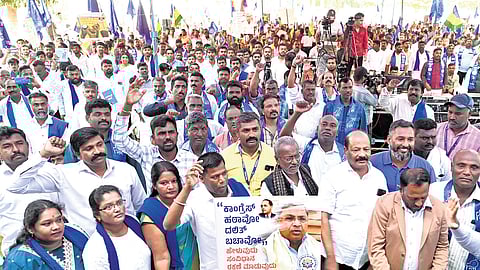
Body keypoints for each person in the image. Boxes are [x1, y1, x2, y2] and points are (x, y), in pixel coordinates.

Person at [8, 128, 146, 235]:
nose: (97, 151)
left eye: (99, 145)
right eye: (89, 148)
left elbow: (141, 207)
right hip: (85, 245)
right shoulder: (64, 174)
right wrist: (43, 154)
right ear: (78, 155)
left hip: (127, 240)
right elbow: (16, 186)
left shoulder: (126, 170)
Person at [163, 153, 250, 269]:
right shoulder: (194, 198)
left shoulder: (239, 189)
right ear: (202, 179)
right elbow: (168, 225)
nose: (222, 180)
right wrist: (187, 187)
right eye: (215, 177)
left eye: (224, 173)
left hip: (245, 263)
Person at [320, 131, 387, 270]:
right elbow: (323, 218)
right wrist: (331, 258)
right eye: (356, 150)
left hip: (367, 259)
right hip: (338, 258)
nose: (362, 154)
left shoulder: (379, 177)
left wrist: (375, 259)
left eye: (366, 149)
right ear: (345, 150)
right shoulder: (332, 176)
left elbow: (383, 218)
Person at [113, 79, 197, 189]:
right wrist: (127, 106)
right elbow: (119, 140)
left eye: (171, 132)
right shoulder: (146, 154)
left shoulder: (192, 160)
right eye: (162, 133)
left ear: (177, 134)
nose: (167, 137)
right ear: (153, 138)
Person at [367, 168, 449, 270]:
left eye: (423, 197)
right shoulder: (384, 204)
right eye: (413, 198)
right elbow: (375, 247)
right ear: (401, 190)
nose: (419, 203)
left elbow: (442, 247)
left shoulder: (440, 208)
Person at [0, 127, 59, 256]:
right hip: (17, 252)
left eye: (19, 143)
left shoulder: (50, 171)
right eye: (7, 146)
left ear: (28, 145)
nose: (15, 149)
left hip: (56, 249)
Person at [137, 161, 197, 270]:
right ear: (154, 186)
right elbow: (161, 257)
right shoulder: (150, 211)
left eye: (174, 181)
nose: (170, 186)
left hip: (198, 262)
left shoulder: (191, 200)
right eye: (164, 183)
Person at [429, 149, 480, 270]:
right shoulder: (433, 192)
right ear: (451, 167)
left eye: (474, 167)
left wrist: (457, 227)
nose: (467, 172)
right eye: (461, 166)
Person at [3, 200, 88, 269]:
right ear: (31, 229)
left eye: (59, 220)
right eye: (47, 224)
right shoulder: (19, 259)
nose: (56, 227)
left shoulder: (76, 233)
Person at [82, 185, 152, 269]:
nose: (117, 209)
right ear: (97, 215)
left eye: (119, 203)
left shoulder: (134, 223)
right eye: (108, 207)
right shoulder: (94, 249)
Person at [281, 104, 344, 184]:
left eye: (332, 126)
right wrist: (297, 114)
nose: (327, 128)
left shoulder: (343, 153)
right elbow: (284, 138)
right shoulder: (306, 145)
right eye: (324, 124)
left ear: (337, 132)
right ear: (317, 129)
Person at [371, 120, 436, 192]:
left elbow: (432, 197)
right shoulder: (373, 163)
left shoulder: (425, 167)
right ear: (389, 140)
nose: (405, 144)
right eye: (400, 139)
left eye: (410, 140)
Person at [221, 112, 276, 195]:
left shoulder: (274, 155)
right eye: (246, 131)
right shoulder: (224, 157)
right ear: (237, 133)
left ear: (260, 130)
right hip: (238, 206)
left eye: (255, 129)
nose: (251, 134)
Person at [258, 202, 323, 270]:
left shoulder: (317, 247)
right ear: (278, 222)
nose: (297, 224)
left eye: (302, 219)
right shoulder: (264, 250)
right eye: (289, 218)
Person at [323, 77, 367, 145]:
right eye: (345, 88)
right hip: (332, 146)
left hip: (351, 146)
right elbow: (323, 128)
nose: (348, 90)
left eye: (350, 87)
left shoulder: (359, 108)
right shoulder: (329, 106)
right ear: (339, 89)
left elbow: (363, 131)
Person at [436, 94, 480, 159]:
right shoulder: (436, 129)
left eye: (458, 114)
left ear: (469, 114)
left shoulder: (477, 137)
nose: (452, 117)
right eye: (450, 112)